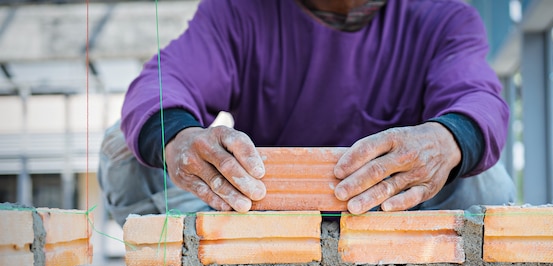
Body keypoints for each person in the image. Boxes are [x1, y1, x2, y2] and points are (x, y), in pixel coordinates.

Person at [99, 0, 516, 227]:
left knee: (484, 179)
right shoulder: (239, 11)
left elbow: (478, 101)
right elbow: (162, 83)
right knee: (125, 145)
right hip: (256, 224)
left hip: (397, 225)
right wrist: (181, 138)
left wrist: (443, 142)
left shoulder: (444, 16)